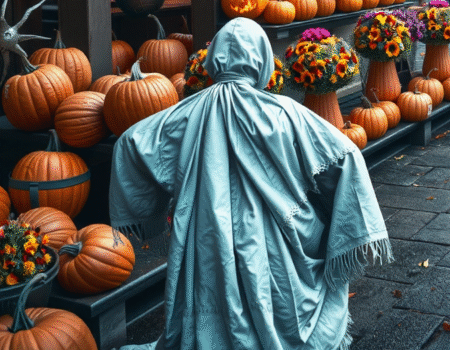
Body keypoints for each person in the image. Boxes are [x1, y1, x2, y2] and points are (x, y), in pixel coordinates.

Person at [109, 18, 390, 350]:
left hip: (206, 238)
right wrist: (332, 213)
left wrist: (150, 210)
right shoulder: (285, 112)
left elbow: (130, 142)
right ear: (262, 60)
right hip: (280, 238)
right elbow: (345, 156)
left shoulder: (184, 113)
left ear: (213, 59)